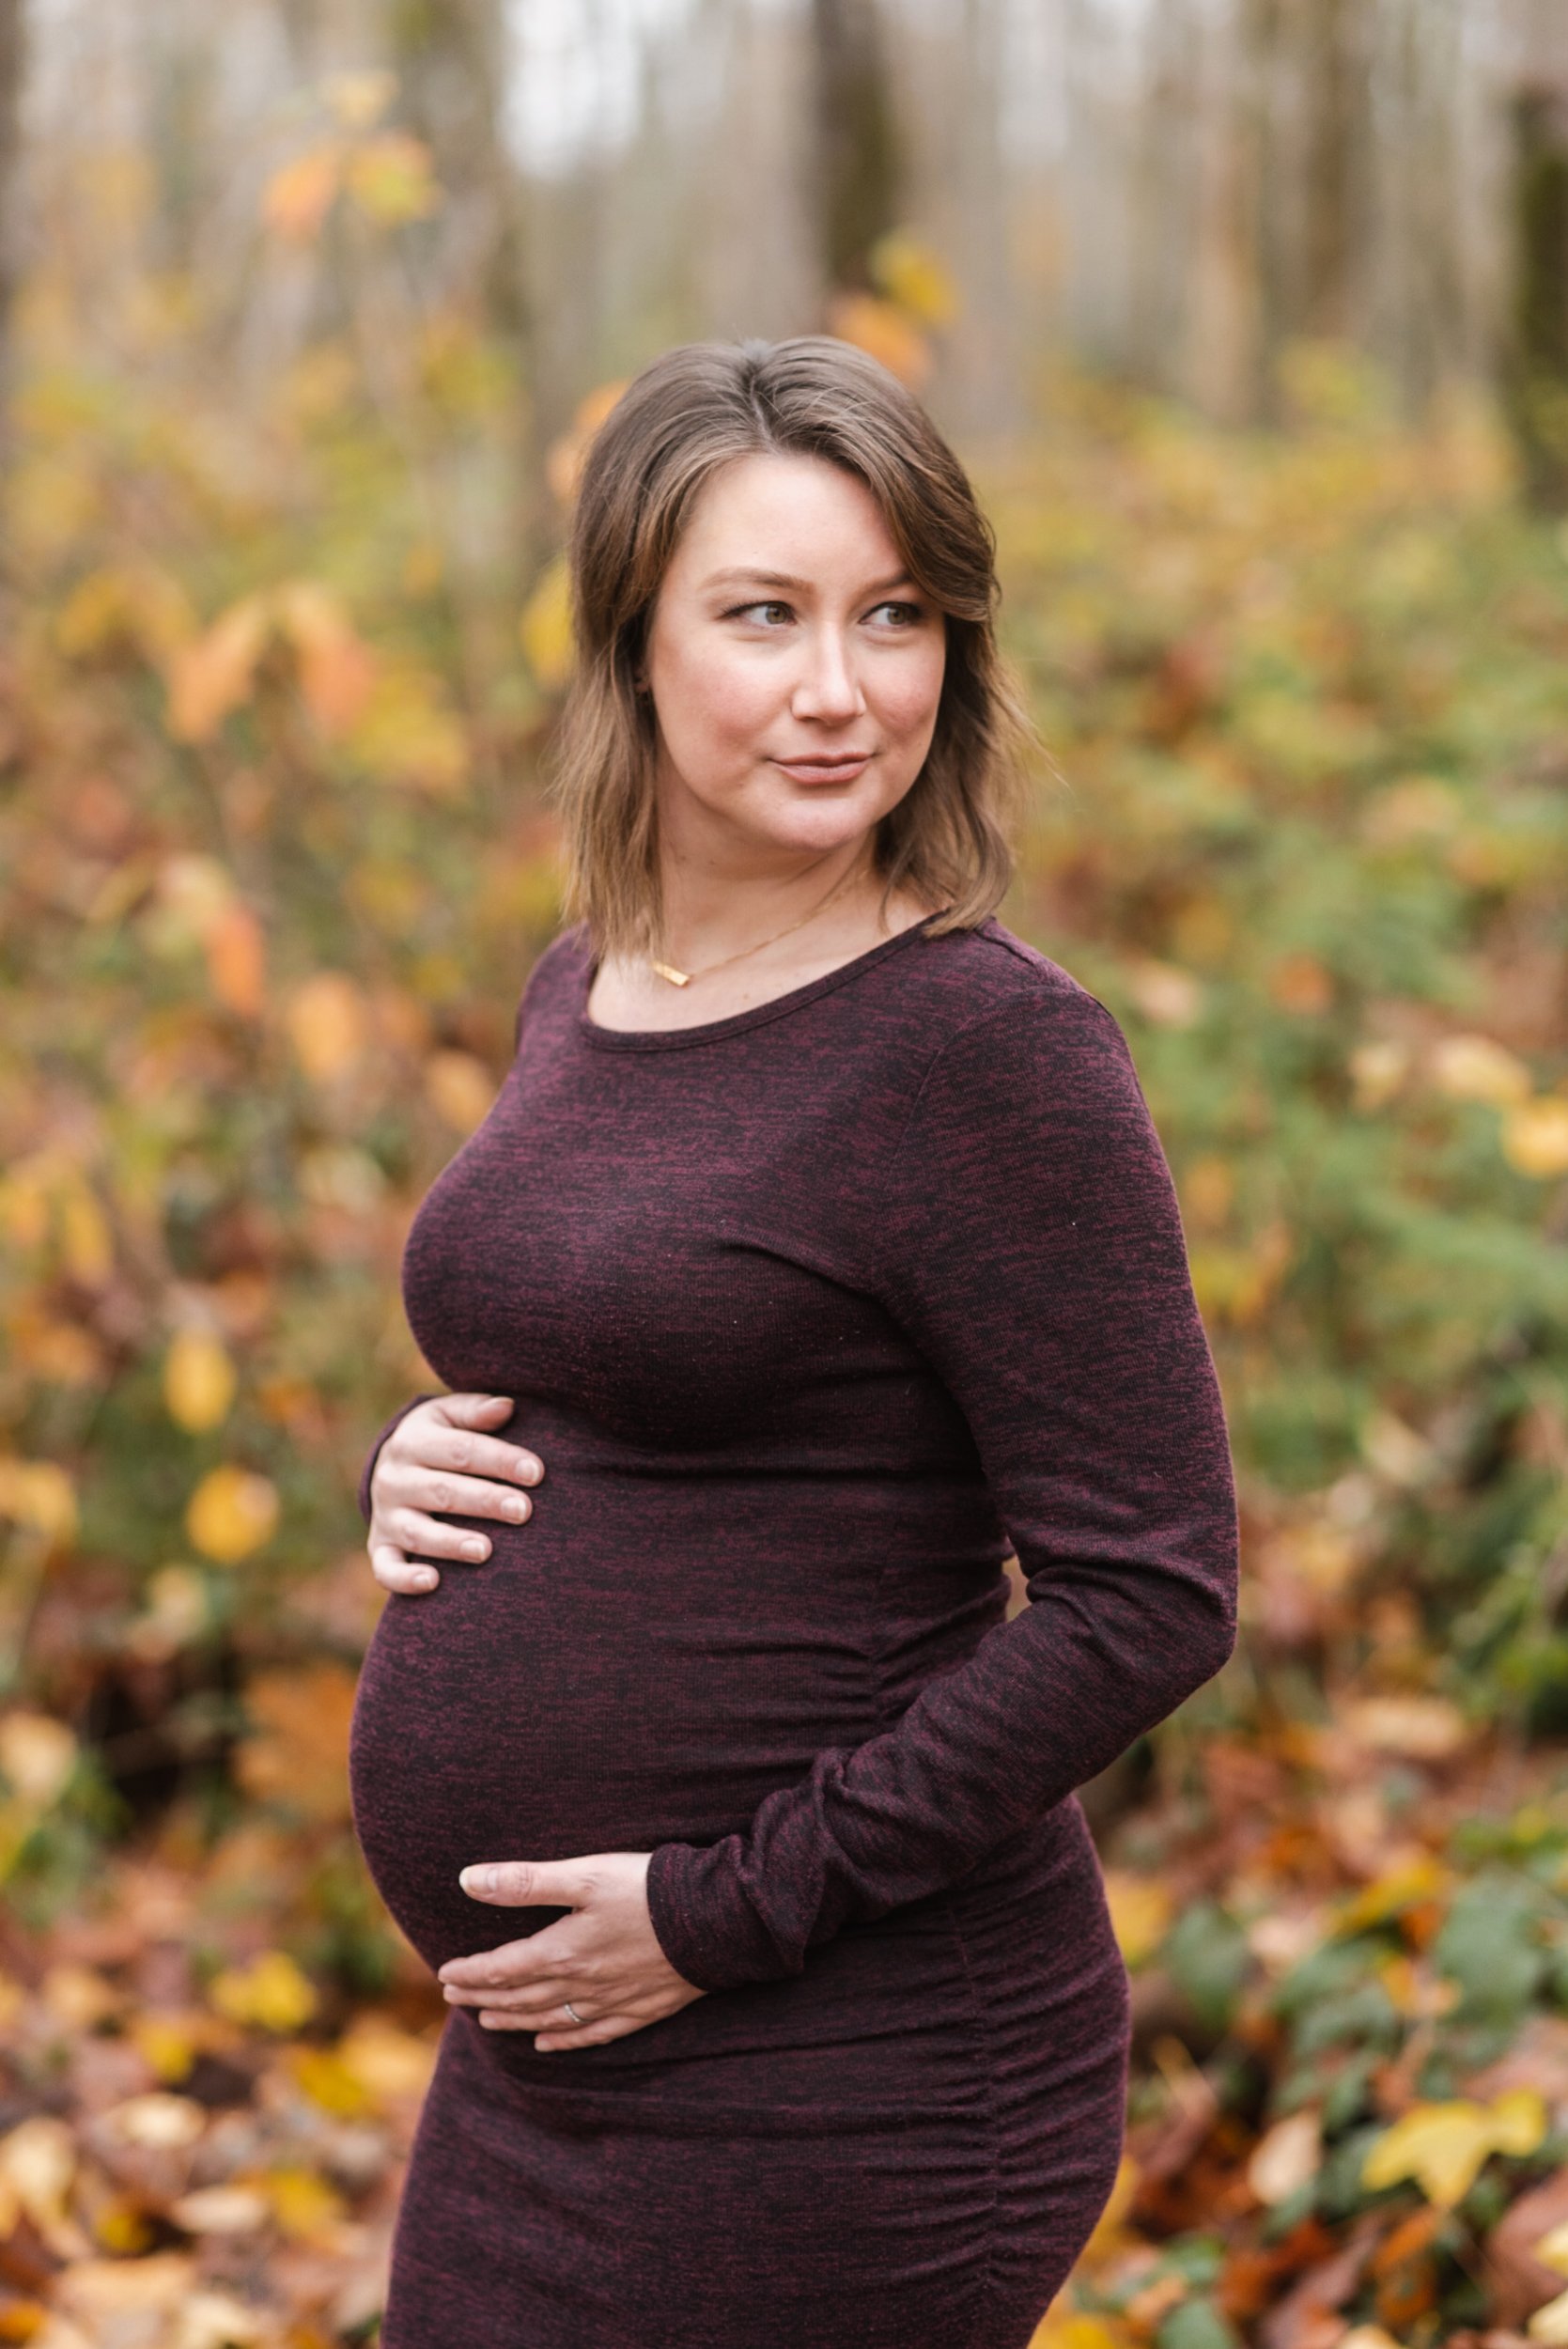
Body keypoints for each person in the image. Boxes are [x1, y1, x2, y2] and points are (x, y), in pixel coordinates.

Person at [349, 334, 1238, 2349]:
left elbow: (1150, 1592)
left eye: (894, 616)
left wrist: (709, 1912)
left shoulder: (985, 1051)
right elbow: (628, 1343)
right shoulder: (587, 979)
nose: (844, 691)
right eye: (765, 617)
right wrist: (418, 1454)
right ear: (632, 644)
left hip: (850, 2060)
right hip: (547, 2068)